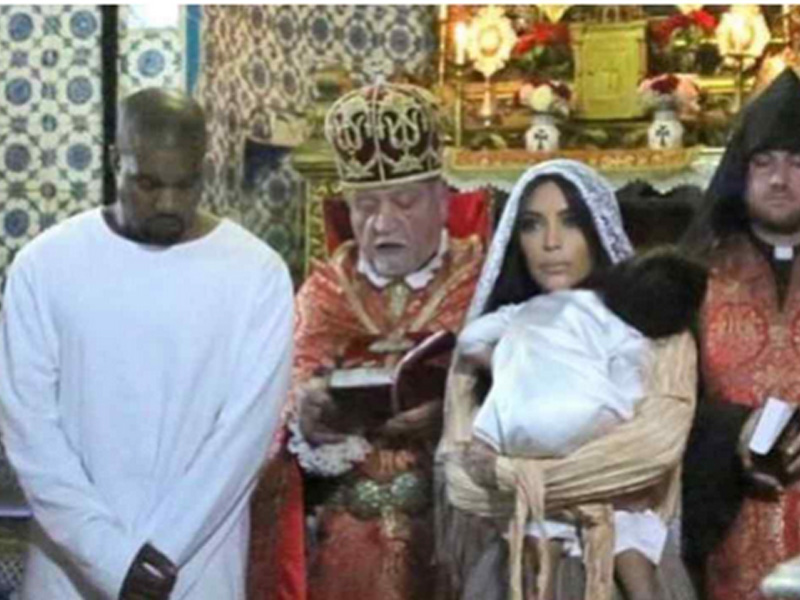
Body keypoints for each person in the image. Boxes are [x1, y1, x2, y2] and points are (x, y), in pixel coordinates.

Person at [0, 88, 294, 599]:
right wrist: (109, 558)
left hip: (196, 570)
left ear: (205, 168)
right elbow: (29, 430)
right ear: (117, 160)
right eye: (148, 184)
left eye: (186, 184)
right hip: (70, 572)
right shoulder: (44, 267)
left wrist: (159, 558)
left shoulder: (257, 274)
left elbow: (243, 438)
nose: (168, 204)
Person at [249, 82, 484, 600]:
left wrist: (454, 412)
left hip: (451, 531)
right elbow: (279, 407)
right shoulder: (325, 292)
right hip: (344, 534)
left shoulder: (481, 282)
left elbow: (516, 400)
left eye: (404, 201)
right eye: (365, 204)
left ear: (442, 200)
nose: (382, 223)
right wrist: (308, 418)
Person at [437, 159, 699, 600]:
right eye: (532, 225)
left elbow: (649, 454)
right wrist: (586, 484)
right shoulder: (499, 335)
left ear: (596, 230)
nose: (551, 243)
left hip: (616, 568)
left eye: (570, 222)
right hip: (517, 571)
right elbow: (463, 483)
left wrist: (512, 474)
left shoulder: (657, 332)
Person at [681, 67, 800, 600]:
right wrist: (733, 431)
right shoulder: (695, 273)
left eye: (797, 162)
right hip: (729, 526)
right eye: (764, 162)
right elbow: (664, 402)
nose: (780, 179)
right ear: (740, 172)